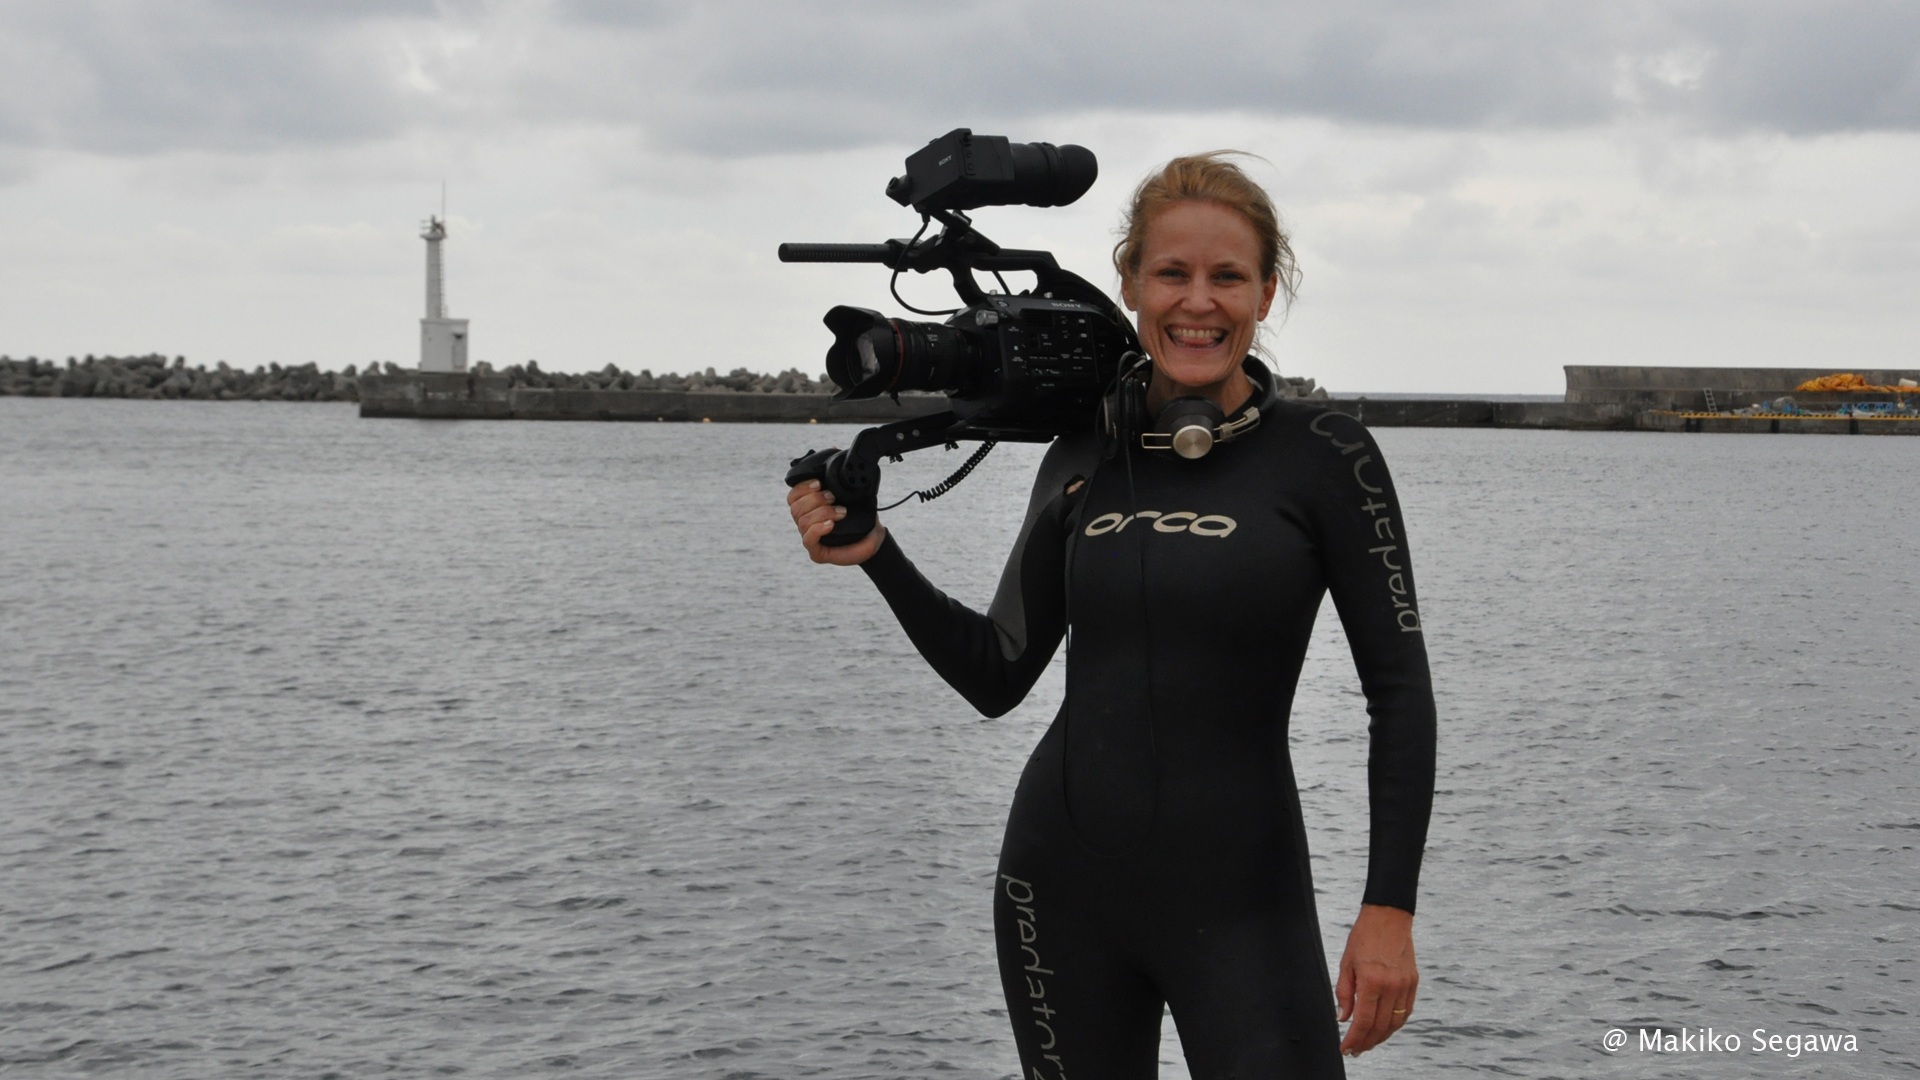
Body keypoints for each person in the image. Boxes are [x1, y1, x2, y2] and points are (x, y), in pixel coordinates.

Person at [786, 152, 1435, 1078]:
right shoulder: (1086, 444)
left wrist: (1389, 910)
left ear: (1268, 290)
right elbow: (997, 669)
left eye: (1226, 277)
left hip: (1245, 905)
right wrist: (877, 557)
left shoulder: (1326, 456)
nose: (1197, 303)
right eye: (1171, 274)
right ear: (1131, 283)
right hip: (1058, 892)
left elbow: (1400, 698)